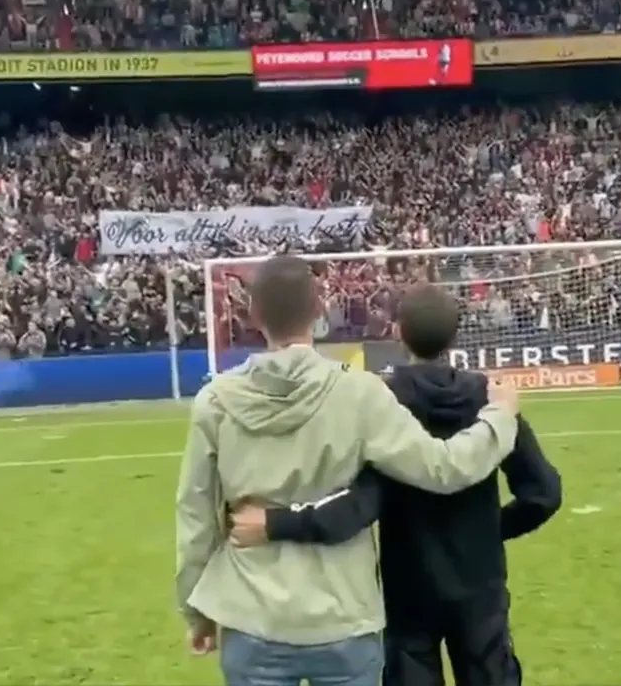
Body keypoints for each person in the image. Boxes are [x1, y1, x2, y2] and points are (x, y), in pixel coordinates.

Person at [174, 256, 522, 686]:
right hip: (343, 617)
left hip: (252, 615)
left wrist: (196, 611)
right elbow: (443, 467)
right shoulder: (359, 392)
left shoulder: (216, 401)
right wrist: (500, 419)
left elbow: (196, 517)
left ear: (253, 315)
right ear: (320, 312)